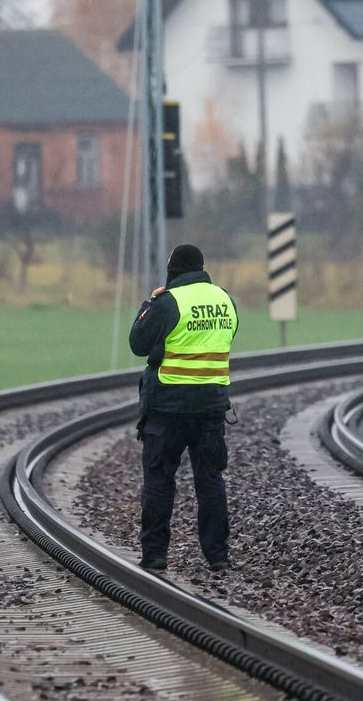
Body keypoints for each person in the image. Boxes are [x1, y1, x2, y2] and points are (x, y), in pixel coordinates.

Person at [129, 244, 238, 573]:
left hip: (168, 409)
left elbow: (138, 344)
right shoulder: (225, 301)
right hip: (210, 409)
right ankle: (218, 556)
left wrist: (150, 302)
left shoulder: (167, 303)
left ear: (173, 272)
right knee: (210, 480)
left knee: (160, 480)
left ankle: (155, 555)